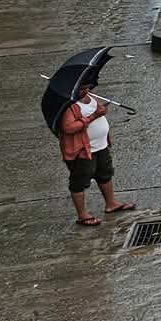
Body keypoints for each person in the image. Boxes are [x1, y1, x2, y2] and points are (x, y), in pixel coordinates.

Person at [58, 82, 134, 227]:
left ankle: (111, 203)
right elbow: (69, 127)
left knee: (105, 173)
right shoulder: (68, 105)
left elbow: (97, 111)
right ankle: (82, 215)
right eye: (82, 88)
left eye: (88, 87)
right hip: (82, 150)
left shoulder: (90, 96)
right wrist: (94, 116)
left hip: (100, 145)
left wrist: (102, 110)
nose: (86, 90)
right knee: (80, 181)